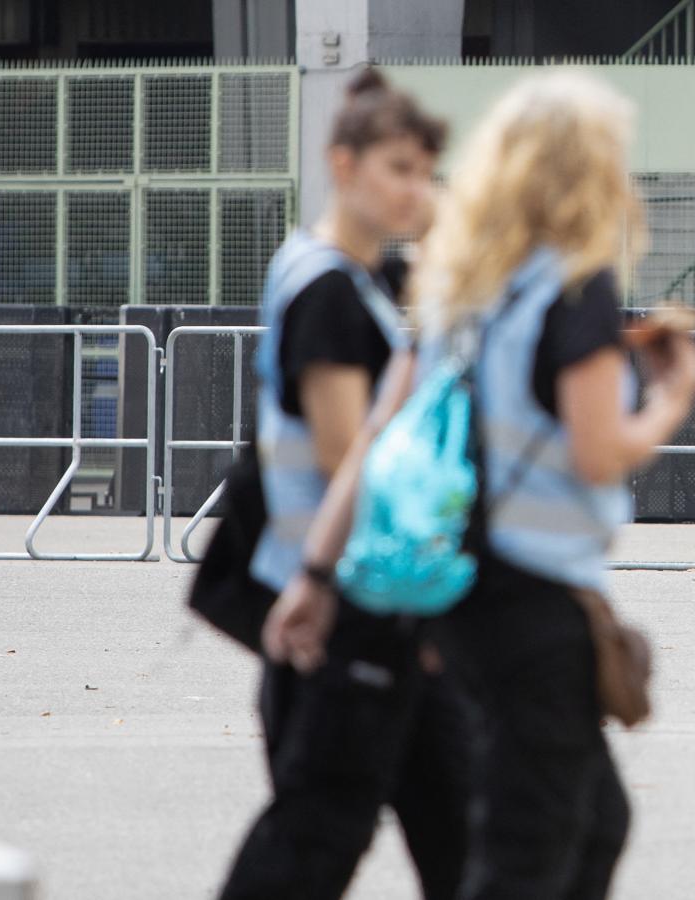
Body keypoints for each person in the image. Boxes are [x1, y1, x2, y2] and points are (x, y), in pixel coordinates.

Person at [264, 71, 695, 900]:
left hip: (462, 592)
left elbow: (374, 440)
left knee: (594, 822)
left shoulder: (454, 285)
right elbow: (601, 452)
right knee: (525, 848)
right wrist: (675, 395)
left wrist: (315, 576)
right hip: (534, 603)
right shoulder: (574, 287)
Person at [219, 69, 468, 900]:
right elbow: (349, 461)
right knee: (317, 834)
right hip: (344, 609)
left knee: (459, 828)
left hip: (369, 601)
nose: (415, 189)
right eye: (397, 168)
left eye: (425, 170)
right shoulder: (327, 291)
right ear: (343, 164)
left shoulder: (352, 279)